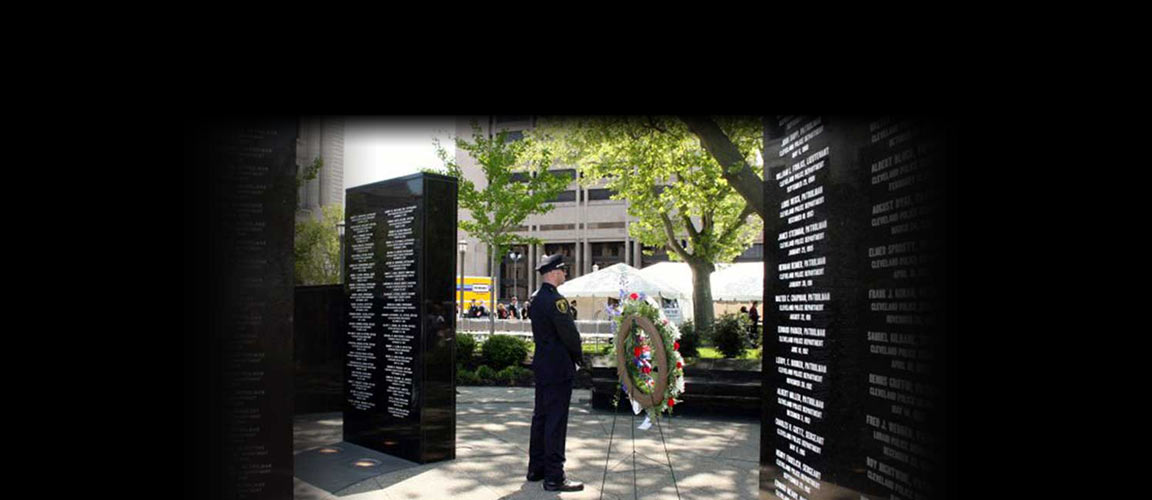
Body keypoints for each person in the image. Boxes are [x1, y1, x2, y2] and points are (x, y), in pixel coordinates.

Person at [525, 254, 584, 492]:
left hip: (542, 365)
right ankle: (554, 476)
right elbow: (569, 335)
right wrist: (579, 357)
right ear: (554, 272)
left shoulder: (536, 299)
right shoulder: (556, 301)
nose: (565, 274)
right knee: (556, 421)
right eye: (563, 270)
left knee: (541, 417)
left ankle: (536, 468)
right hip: (559, 367)